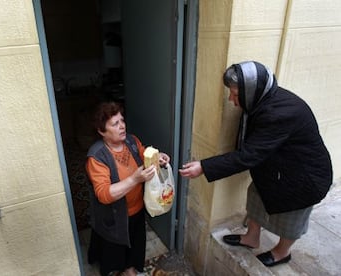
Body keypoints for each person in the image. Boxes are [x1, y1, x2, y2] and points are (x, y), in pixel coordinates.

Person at [179, 61, 333, 267]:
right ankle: (252, 237)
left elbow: (248, 155)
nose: (231, 99)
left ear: (251, 91)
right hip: (279, 166)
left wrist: (204, 167)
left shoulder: (279, 113)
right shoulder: (264, 98)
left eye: (235, 94)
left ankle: (282, 252)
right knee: (257, 196)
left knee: (292, 216)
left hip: (305, 176)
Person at [86, 101, 170, 276]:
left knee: (135, 242)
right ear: (102, 131)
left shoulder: (131, 141)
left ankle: (130, 268)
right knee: (115, 249)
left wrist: (157, 157)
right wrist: (134, 179)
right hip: (114, 217)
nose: (122, 126)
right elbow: (103, 194)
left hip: (137, 209)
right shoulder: (97, 156)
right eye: (115, 124)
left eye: (122, 121)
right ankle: (120, 271)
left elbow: (143, 152)